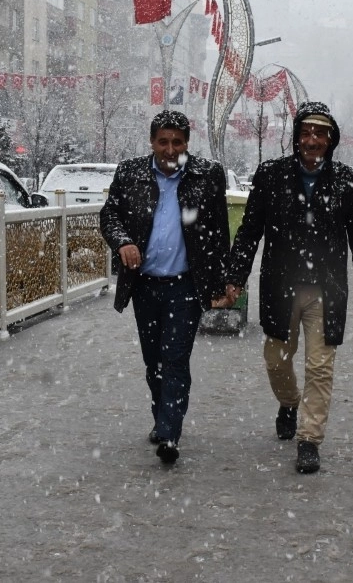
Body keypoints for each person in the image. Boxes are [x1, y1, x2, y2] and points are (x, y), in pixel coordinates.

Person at [223, 102, 353, 474]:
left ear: (331, 139)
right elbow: (249, 232)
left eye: (320, 134)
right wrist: (234, 276)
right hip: (281, 286)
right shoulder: (271, 175)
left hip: (326, 291)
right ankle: (289, 402)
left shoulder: (347, 181)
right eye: (306, 133)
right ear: (296, 137)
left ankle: (309, 439)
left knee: (320, 367)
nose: (313, 140)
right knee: (276, 359)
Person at [99, 110, 230, 466]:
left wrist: (223, 283)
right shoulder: (130, 173)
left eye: (177, 142)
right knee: (153, 360)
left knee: (175, 359)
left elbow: (219, 231)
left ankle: (171, 433)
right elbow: (109, 215)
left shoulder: (207, 175)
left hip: (186, 285)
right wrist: (123, 241)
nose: (170, 149)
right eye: (163, 142)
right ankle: (162, 416)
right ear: (152, 142)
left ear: (187, 143)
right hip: (145, 285)